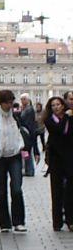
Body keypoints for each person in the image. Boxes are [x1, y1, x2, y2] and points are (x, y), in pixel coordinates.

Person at [0, 90, 27, 233]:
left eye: (11, 102)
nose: (10, 105)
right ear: (1, 103)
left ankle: (19, 222)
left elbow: (22, 134)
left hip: (14, 156)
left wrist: (26, 152)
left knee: (16, 189)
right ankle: (4, 223)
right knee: (1, 192)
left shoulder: (15, 116)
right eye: (7, 103)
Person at [42, 97, 73, 231]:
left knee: (70, 190)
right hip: (56, 159)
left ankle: (70, 220)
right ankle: (57, 222)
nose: (56, 107)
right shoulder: (49, 120)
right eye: (53, 105)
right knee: (56, 190)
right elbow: (60, 130)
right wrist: (66, 116)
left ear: (63, 105)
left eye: (58, 104)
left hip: (69, 158)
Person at [18, 93, 37, 177]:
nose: (21, 101)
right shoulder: (26, 109)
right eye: (21, 99)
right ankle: (28, 169)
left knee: (27, 151)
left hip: (27, 133)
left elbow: (26, 122)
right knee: (26, 152)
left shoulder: (29, 109)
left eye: (23, 99)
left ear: (27, 100)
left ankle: (29, 170)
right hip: (25, 133)